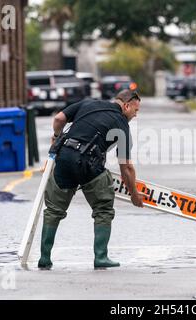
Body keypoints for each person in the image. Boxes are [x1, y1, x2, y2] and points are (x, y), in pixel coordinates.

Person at [38, 89, 145, 270]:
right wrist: (134, 194)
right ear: (126, 105)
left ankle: (44, 258)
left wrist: (57, 137)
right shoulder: (122, 126)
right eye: (135, 111)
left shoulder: (88, 104)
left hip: (64, 158)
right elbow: (126, 167)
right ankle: (101, 257)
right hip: (89, 165)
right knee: (103, 208)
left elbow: (58, 119)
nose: (135, 116)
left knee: (53, 210)